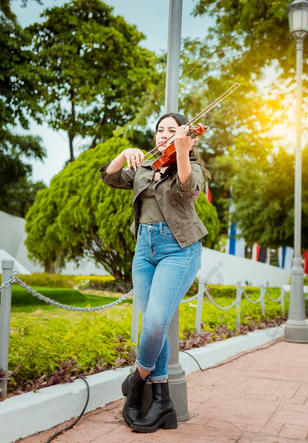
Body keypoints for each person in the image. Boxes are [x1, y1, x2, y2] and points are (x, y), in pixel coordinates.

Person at [100, 112, 208, 433]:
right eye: (160, 130)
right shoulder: (145, 168)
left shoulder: (191, 164)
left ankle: (135, 384)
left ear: (184, 135)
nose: (164, 135)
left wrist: (184, 151)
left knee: (157, 322)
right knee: (153, 328)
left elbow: (188, 189)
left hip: (179, 249)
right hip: (144, 252)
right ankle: (162, 402)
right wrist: (123, 155)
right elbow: (109, 176)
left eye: (171, 131)